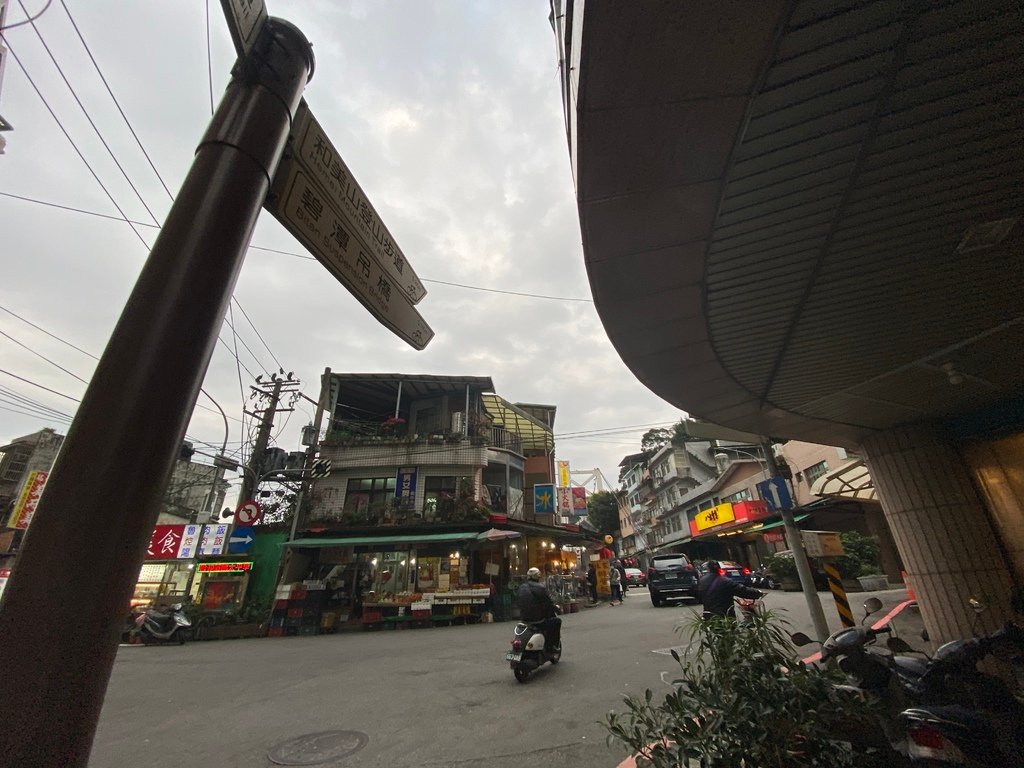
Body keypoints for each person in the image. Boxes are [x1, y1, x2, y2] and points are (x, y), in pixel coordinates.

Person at [697, 559, 763, 618]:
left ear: (708, 569)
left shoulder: (702, 581)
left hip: (708, 616)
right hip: (725, 617)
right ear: (719, 568)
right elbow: (742, 590)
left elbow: (699, 595)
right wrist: (757, 593)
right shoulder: (725, 581)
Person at [518, 567, 561, 649]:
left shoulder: (521, 587)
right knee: (557, 621)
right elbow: (548, 603)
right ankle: (552, 645)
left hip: (524, 619)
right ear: (537, 577)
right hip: (538, 620)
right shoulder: (540, 588)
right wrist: (557, 609)